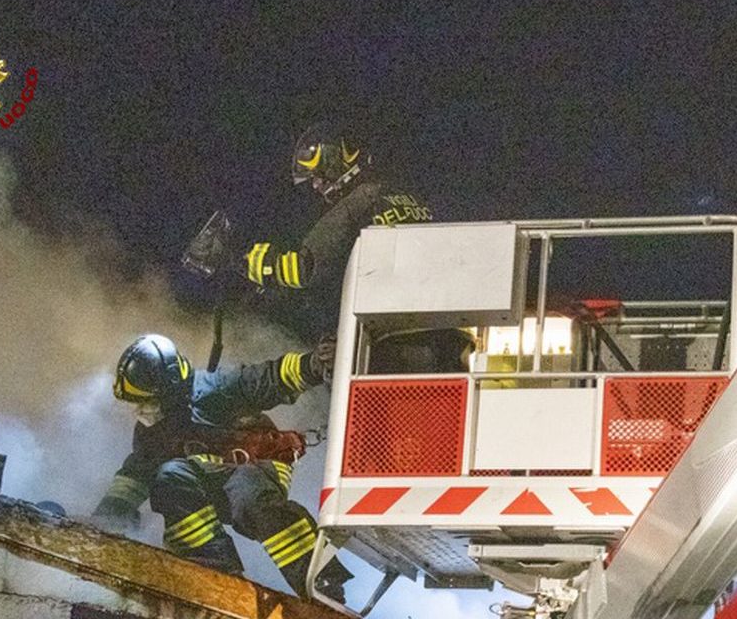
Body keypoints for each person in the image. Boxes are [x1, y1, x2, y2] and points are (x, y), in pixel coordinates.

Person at [91, 334, 351, 601]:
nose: (140, 410)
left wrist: (314, 365)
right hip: (208, 480)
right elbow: (134, 476)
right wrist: (104, 521)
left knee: (248, 498)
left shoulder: (213, 390)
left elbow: (266, 379)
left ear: (169, 390)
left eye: (147, 402)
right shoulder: (151, 433)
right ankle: (210, 568)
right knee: (169, 477)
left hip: (257, 468)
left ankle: (321, 582)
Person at [240, 122, 471, 370]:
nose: (317, 186)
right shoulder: (409, 198)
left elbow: (304, 267)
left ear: (337, 161)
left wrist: (246, 262)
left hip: (393, 348)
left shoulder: (359, 203)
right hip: (446, 340)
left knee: (331, 361)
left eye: (318, 176)